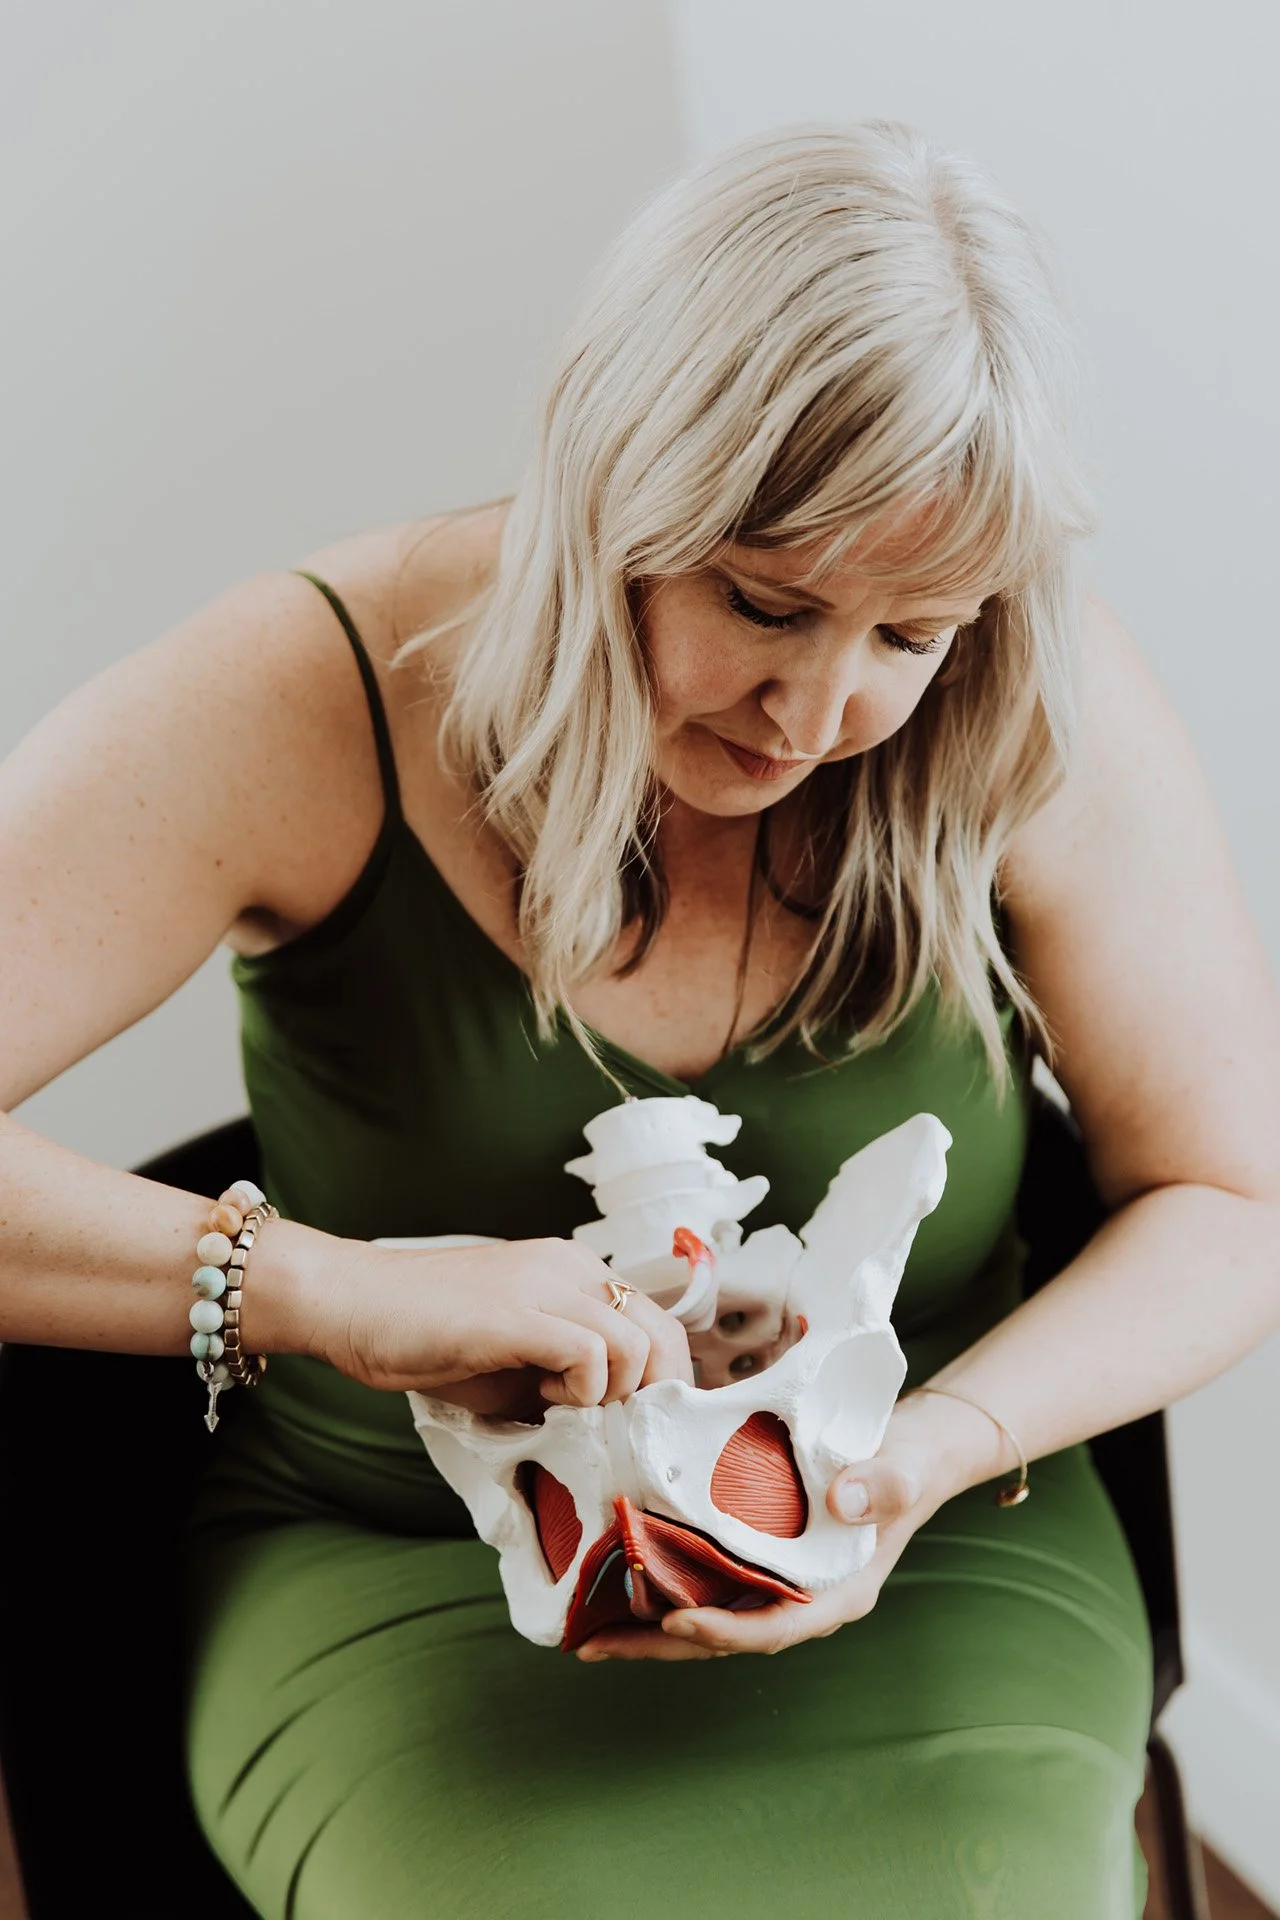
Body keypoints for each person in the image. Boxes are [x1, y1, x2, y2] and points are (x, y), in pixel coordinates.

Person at [2, 117, 1278, 1920]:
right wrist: (337, 1292)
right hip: (412, 1569)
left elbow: (1231, 1199)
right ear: (613, 490)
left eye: (910, 633)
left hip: (912, 1547)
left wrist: (922, 1457)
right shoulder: (313, 696)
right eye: (766, 601)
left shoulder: (1022, 707)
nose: (823, 709)